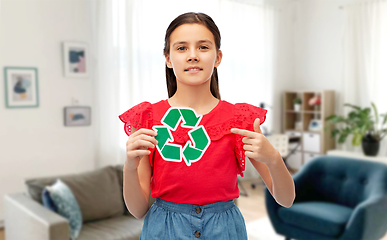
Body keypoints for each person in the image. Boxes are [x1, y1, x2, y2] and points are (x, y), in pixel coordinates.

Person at [119, 12, 295, 240]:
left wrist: (274, 158)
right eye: (181, 48)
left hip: (224, 230)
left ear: (218, 57)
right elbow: (137, 209)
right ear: (168, 58)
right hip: (164, 230)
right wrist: (129, 167)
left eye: (203, 47)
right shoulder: (147, 118)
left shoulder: (240, 120)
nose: (193, 56)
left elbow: (286, 199)